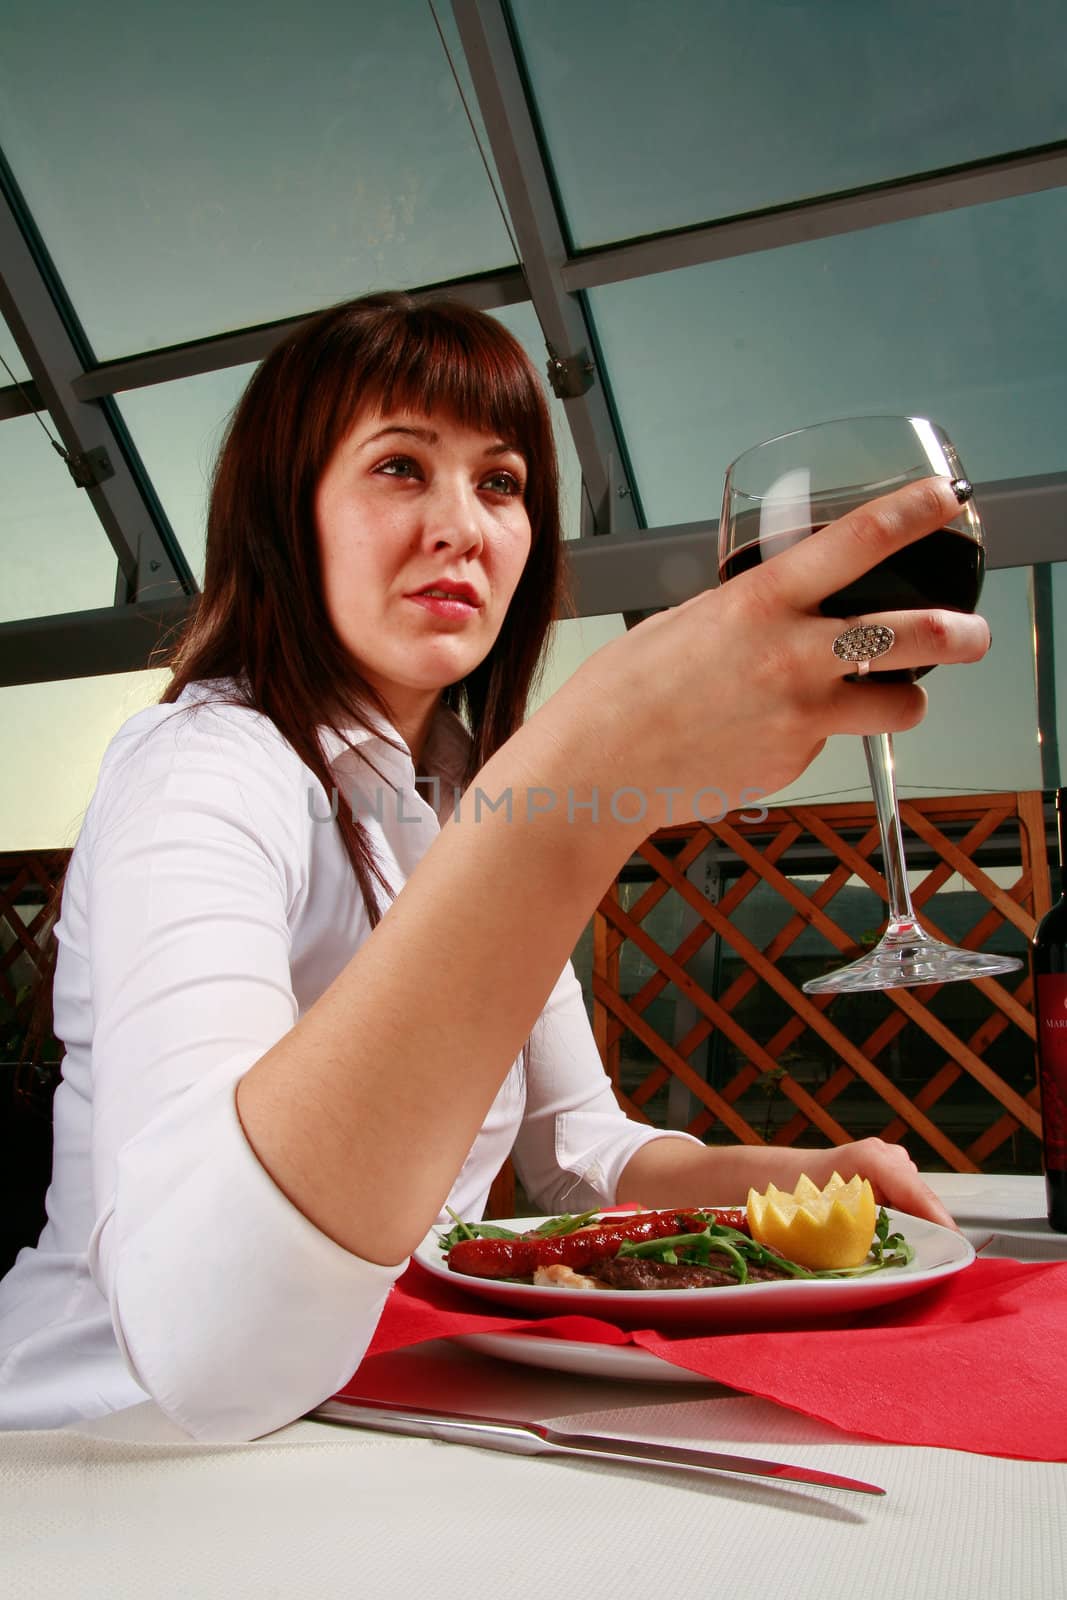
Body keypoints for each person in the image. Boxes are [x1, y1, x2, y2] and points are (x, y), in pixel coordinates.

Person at [0, 293, 985, 1441]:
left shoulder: (465, 794)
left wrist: (812, 1169)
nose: (461, 524)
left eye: (501, 482)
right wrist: (571, 781)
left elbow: (584, 1152)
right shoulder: (204, 768)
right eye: (400, 468)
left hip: (378, 1415)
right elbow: (204, 1348)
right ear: (286, 513)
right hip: (99, 1445)